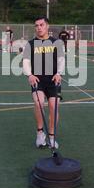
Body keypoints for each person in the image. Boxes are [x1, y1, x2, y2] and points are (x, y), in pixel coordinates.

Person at [23, 17, 65, 149]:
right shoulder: (30, 44)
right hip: (38, 80)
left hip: (53, 80)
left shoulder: (56, 42)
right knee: (39, 103)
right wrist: (29, 75)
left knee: (54, 106)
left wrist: (59, 73)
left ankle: (52, 136)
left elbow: (61, 60)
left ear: (47, 26)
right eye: (36, 25)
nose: (39, 27)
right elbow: (26, 62)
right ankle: (40, 133)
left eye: (41, 25)